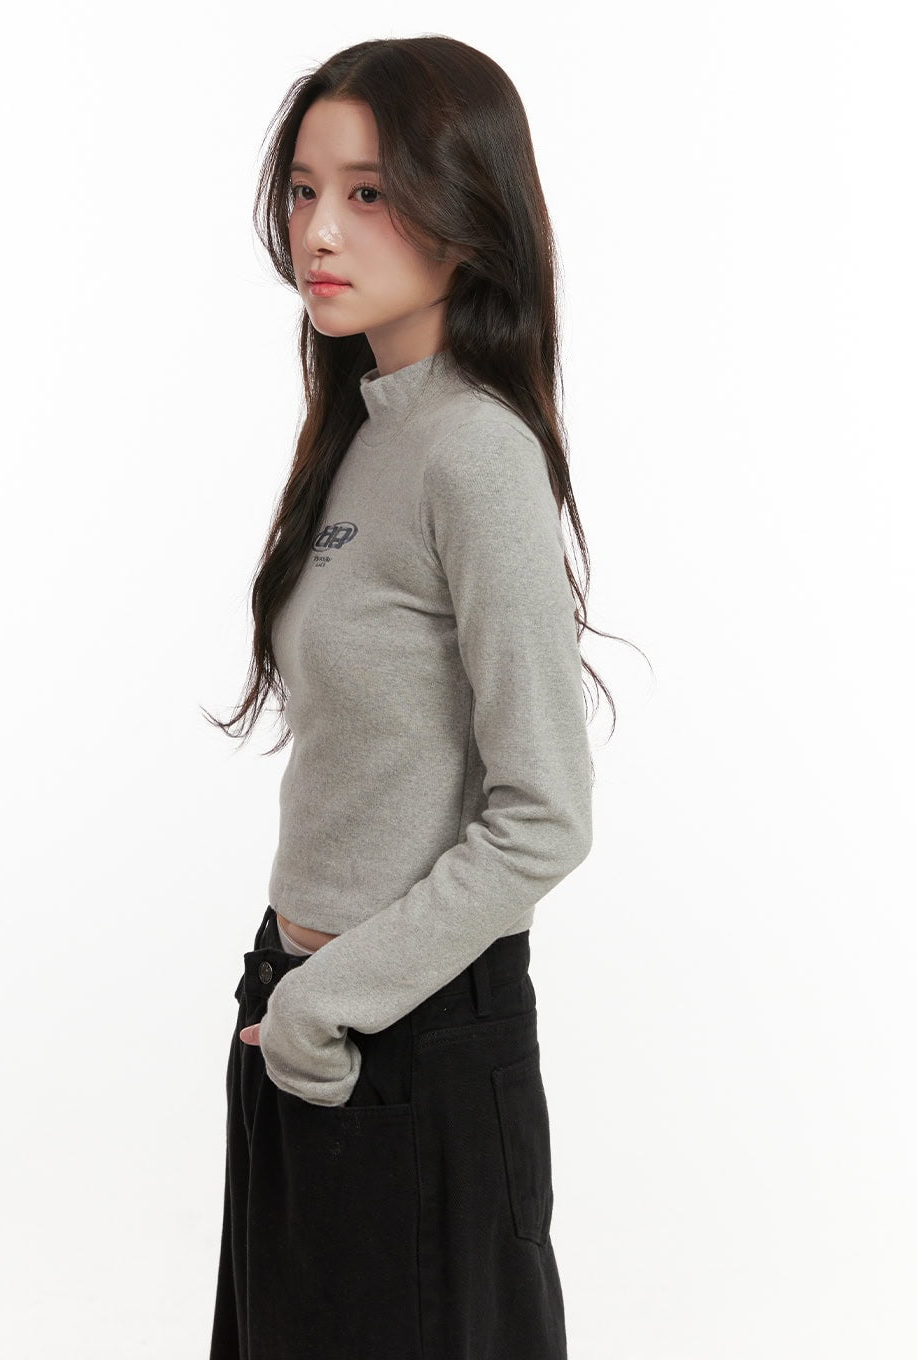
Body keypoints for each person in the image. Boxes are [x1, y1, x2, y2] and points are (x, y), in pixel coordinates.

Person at [203, 33, 632, 1360]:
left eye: (370, 192)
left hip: (409, 1035)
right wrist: (293, 994)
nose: (320, 230)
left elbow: (545, 815)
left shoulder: (475, 451)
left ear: (467, 209)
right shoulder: (365, 431)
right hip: (306, 1015)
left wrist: (333, 998)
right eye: (304, 189)